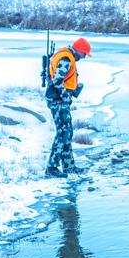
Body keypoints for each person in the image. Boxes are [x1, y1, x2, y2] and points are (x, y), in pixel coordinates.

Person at [45, 37, 91, 178]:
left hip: (58, 100)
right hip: (58, 101)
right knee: (62, 133)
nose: (84, 57)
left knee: (67, 133)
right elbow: (57, 81)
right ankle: (51, 168)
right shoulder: (66, 59)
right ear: (79, 51)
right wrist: (65, 96)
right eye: (84, 54)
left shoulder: (65, 55)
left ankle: (69, 167)